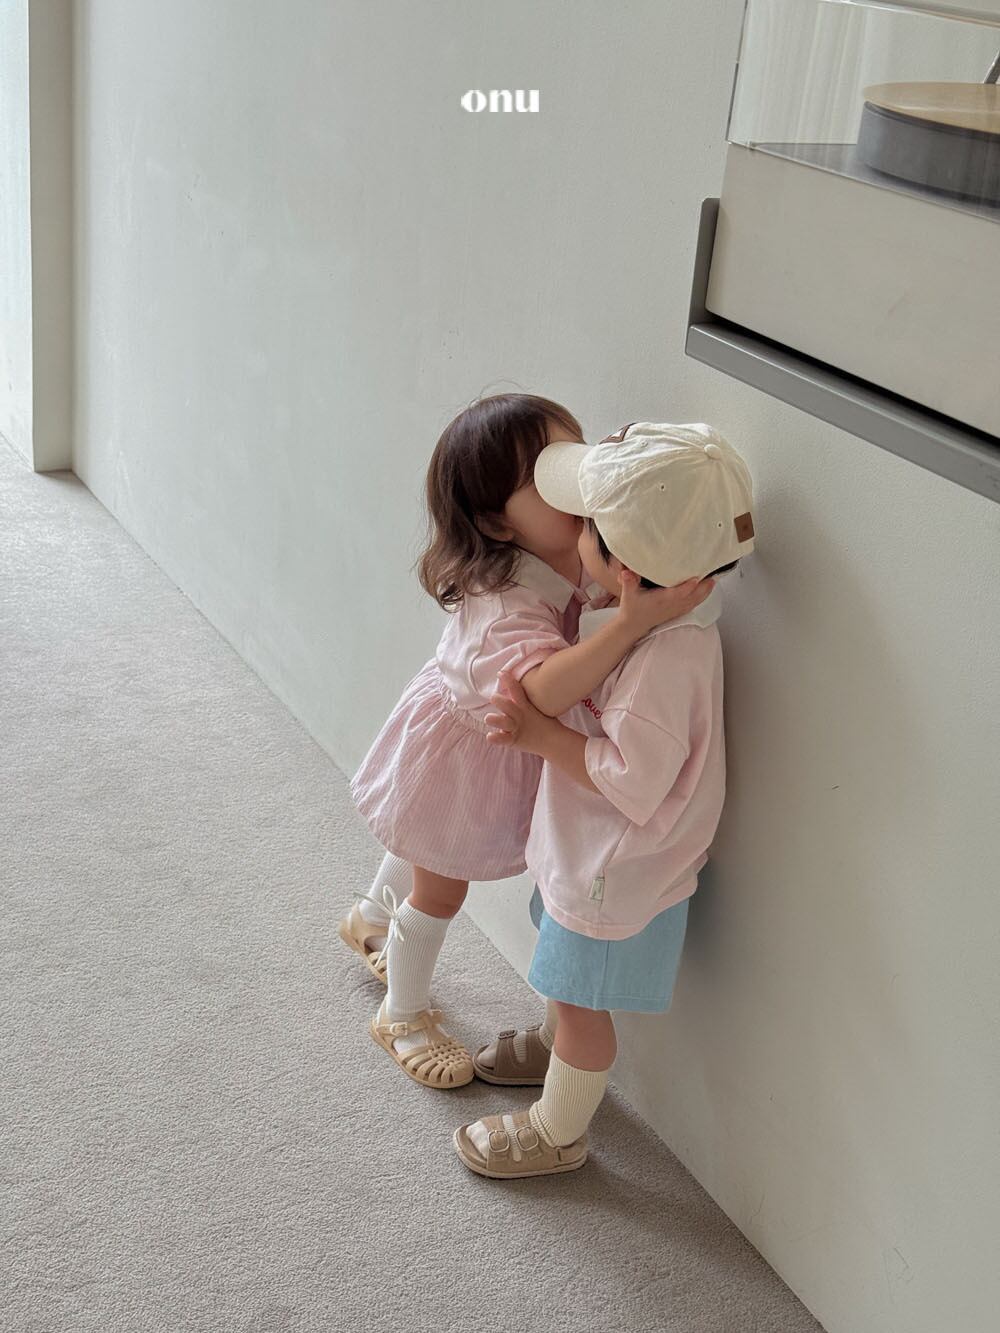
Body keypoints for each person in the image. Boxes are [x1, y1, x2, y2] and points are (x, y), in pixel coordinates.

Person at [341, 396, 715, 1089]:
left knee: (422, 845)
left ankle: (369, 913)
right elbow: (540, 694)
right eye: (546, 478)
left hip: (478, 738)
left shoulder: (563, 550)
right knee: (438, 886)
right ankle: (402, 1012)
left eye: (576, 458)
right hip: (464, 755)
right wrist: (630, 625)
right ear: (495, 523)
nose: (575, 485)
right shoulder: (503, 603)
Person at [452, 422, 755, 1178]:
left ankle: (558, 1132)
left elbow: (633, 781)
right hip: (588, 847)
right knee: (564, 973)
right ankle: (557, 1041)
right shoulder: (650, 619)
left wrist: (540, 736)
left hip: (613, 865)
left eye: (586, 525)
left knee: (583, 1003)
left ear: (627, 570)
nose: (573, 530)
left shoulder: (667, 661)